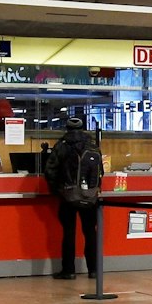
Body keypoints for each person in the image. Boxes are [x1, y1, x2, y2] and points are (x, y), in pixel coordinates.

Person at [43, 117, 101, 281]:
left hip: (68, 196)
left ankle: (69, 270)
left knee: (69, 233)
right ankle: (94, 270)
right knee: (90, 233)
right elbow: (100, 171)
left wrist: (57, 190)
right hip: (90, 196)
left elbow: (50, 171)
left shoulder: (61, 146)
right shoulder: (93, 146)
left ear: (66, 128)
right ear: (83, 128)